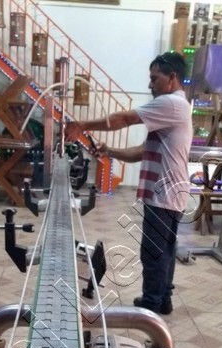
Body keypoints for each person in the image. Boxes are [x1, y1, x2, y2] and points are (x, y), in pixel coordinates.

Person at [65, 52, 192, 315]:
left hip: (164, 192)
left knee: (154, 252)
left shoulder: (171, 103)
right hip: (172, 191)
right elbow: (141, 152)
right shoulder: (175, 107)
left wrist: (82, 125)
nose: (150, 85)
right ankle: (163, 299)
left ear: (172, 78)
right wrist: (109, 151)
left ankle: (151, 306)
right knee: (165, 250)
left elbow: (124, 119)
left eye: (154, 79)